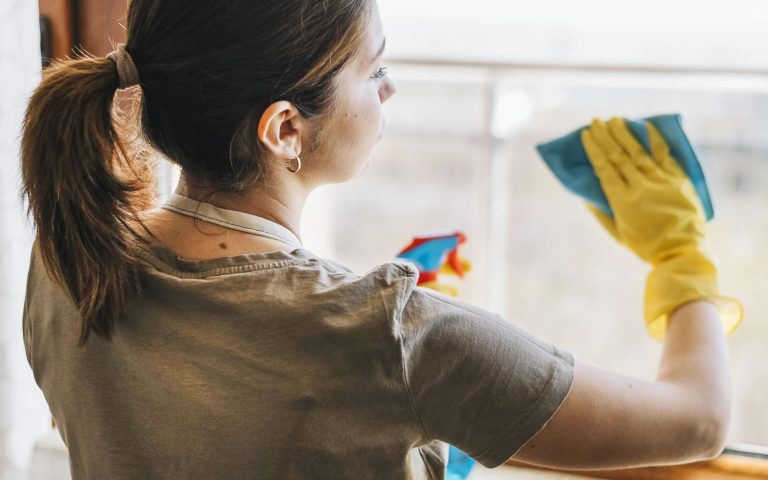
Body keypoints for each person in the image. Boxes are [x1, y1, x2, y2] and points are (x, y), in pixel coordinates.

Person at [20, 0, 735, 478]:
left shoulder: (67, 256)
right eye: (376, 69)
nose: (388, 92)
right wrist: (679, 254)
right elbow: (699, 420)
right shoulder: (389, 337)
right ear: (285, 130)